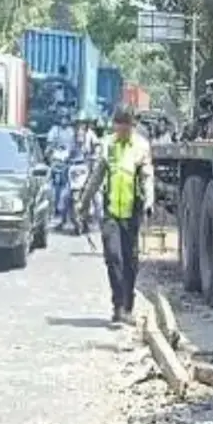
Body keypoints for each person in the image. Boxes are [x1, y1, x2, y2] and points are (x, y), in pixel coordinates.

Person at [83, 105, 154, 324]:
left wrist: (149, 201)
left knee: (130, 261)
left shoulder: (141, 147)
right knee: (113, 258)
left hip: (132, 213)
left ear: (132, 126)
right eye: (119, 126)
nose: (122, 130)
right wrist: (84, 202)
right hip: (111, 212)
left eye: (126, 127)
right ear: (115, 125)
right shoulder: (108, 145)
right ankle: (118, 305)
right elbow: (96, 176)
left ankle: (128, 306)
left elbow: (147, 177)